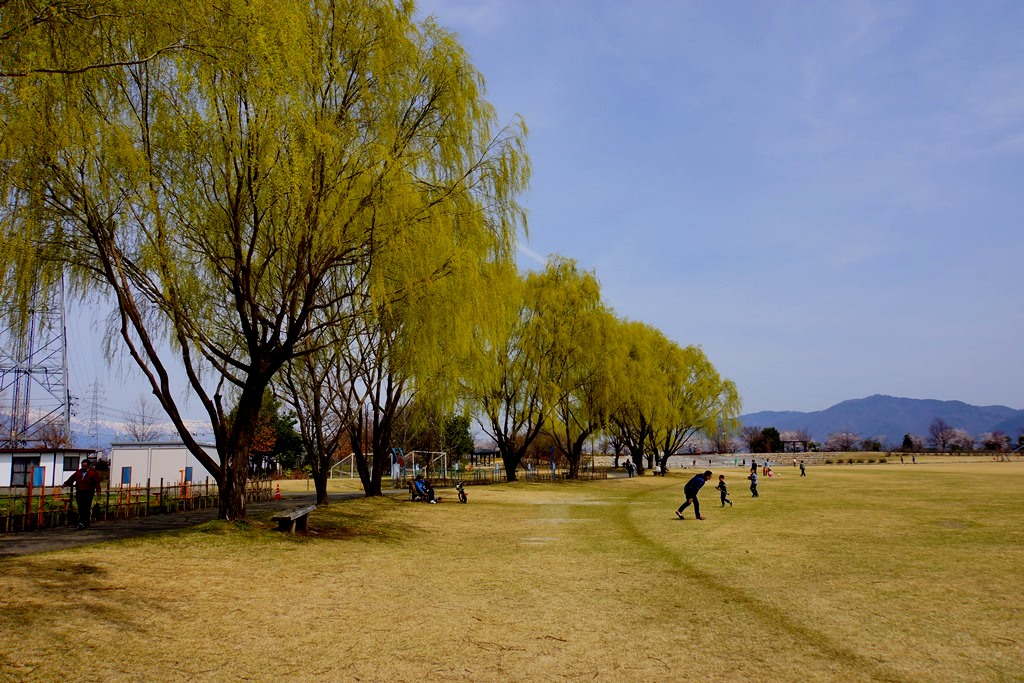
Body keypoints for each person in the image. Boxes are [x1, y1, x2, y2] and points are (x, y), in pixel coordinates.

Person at [64, 458, 103, 529]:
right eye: (82, 466)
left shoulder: (93, 473)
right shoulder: (78, 472)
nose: (83, 467)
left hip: (89, 492)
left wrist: (98, 491)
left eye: (85, 466)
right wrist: (66, 483)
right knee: (80, 507)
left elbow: (97, 483)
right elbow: (72, 478)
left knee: (86, 507)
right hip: (79, 491)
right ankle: (83, 522)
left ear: (89, 466)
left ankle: (83, 522)